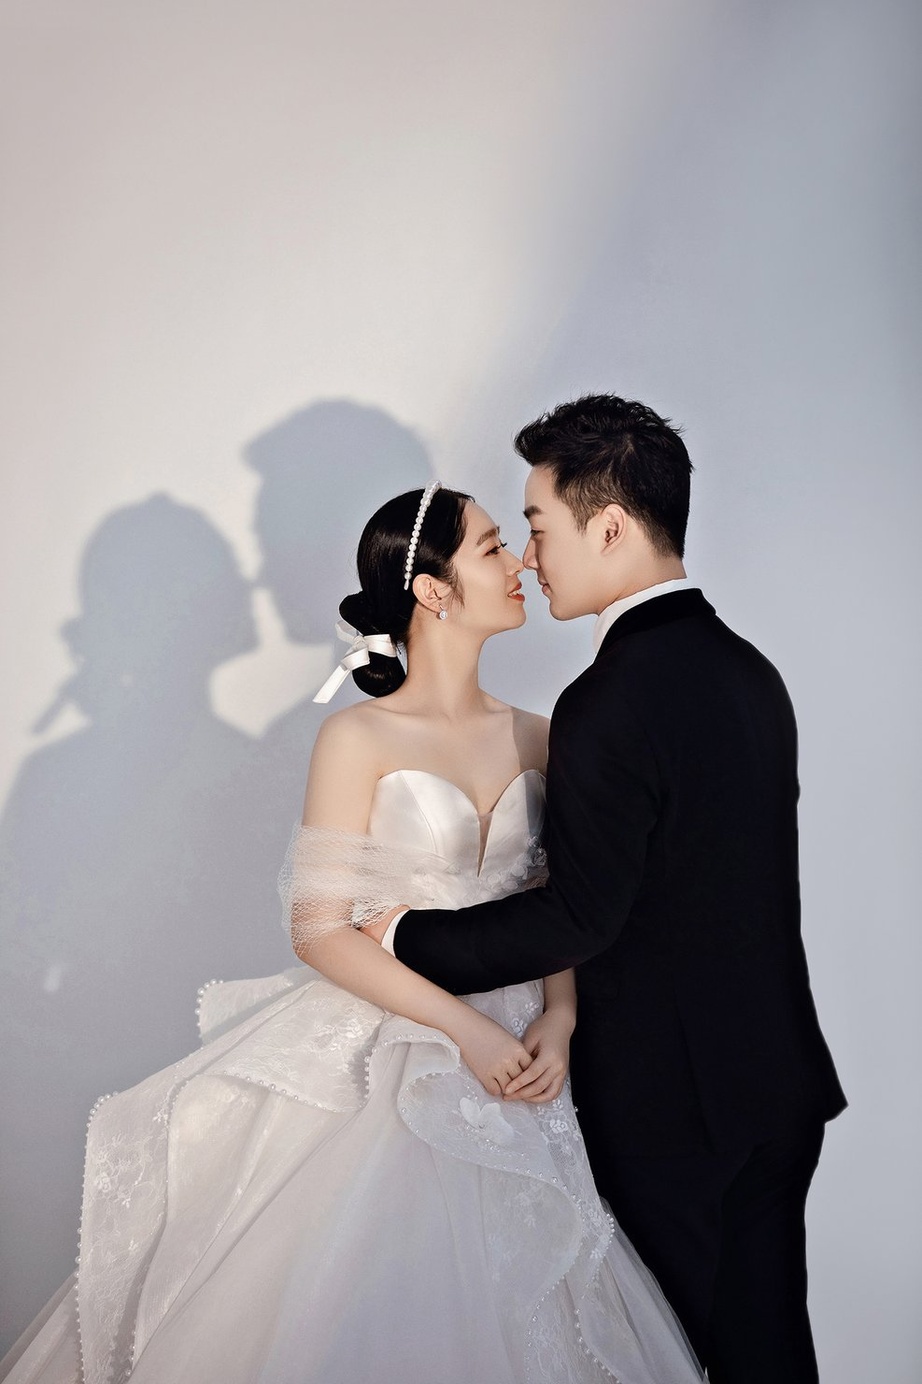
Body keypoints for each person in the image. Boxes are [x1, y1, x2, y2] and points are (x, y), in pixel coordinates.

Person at [1, 483, 702, 1384]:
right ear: (433, 590)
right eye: (494, 547)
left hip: (526, 1056)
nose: (520, 562)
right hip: (397, 1041)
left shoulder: (541, 735)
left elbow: (561, 904)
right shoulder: (357, 737)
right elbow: (319, 931)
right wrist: (466, 1029)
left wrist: (558, 1019)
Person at [364, 397, 848, 1384]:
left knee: (669, 1360)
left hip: (671, 1108)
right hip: (774, 1084)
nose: (530, 557)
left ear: (611, 526)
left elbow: (579, 914)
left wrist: (407, 936)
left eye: (538, 527)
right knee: (766, 1352)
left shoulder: (608, 698)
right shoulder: (750, 673)